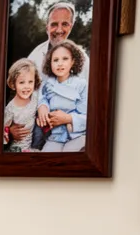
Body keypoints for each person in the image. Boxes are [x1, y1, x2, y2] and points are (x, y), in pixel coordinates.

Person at [10, 2, 90, 147]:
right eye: (54, 24)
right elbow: (22, 92)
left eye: (65, 24)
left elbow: (90, 105)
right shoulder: (35, 56)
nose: (59, 30)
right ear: (47, 26)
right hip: (36, 124)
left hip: (72, 129)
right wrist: (13, 125)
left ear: (71, 26)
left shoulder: (83, 60)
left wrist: (68, 118)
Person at [36, 40, 88, 152]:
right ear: (50, 64)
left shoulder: (81, 84)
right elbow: (42, 98)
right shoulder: (47, 84)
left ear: (73, 61)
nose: (60, 63)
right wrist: (42, 107)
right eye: (55, 60)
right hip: (55, 137)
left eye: (65, 59)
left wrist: (68, 119)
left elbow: (88, 117)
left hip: (76, 135)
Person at [3, 58, 43, 152]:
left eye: (30, 82)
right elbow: (3, 129)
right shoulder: (10, 108)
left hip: (34, 145)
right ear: (13, 84)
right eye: (21, 82)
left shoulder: (35, 98)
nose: (26, 86)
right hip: (17, 149)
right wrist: (10, 131)